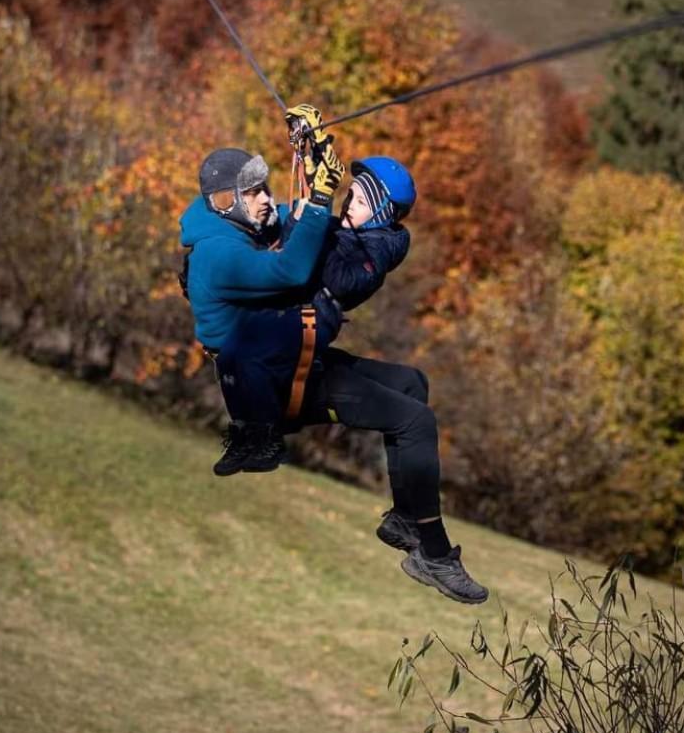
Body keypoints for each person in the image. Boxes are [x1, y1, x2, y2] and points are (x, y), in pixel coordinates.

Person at [179, 105, 487, 605]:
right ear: (225, 201)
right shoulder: (221, 251)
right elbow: (298, 268)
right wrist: (320, 196)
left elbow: (297, 226)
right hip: (281, 384)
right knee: (415, 423)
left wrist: (313, 153)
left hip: (288, 358)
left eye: (360, 200)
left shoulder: (234, 227)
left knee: (412, 384)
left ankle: (406, 518)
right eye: (253, 192)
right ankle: (433, 550)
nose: (265, 198)